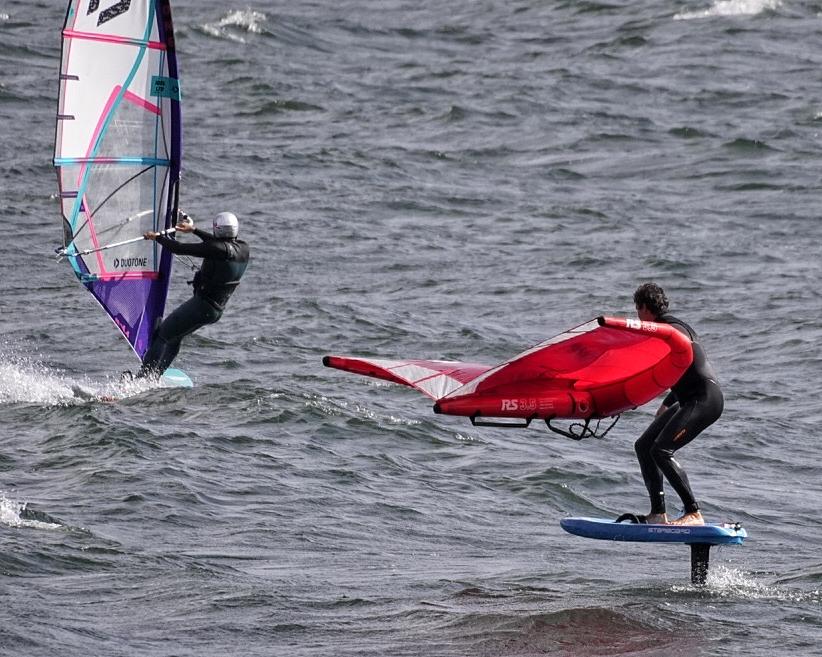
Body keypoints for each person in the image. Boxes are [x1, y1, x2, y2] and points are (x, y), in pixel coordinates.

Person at [629, 282, 723, 526]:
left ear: (644, 308)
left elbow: (687, 360)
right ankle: (658, 513)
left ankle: (694, 512)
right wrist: (669, 400)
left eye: (637, 309)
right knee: (644, 446)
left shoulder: (672, 329)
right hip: (685, 399)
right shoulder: (668, 330)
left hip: (704, 399)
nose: (637, 316)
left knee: (661, 450)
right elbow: (680, 369)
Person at [135, 211, 250, 379]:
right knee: (175, 337)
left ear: (217, 229)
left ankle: (141, 379)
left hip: (202, 305)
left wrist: (156, 237)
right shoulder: (243, 248)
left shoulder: (216, 249)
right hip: (214, 310)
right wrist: (193, 230)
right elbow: (216, 244)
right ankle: (155, 376)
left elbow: (180, 249)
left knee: (163, 335)